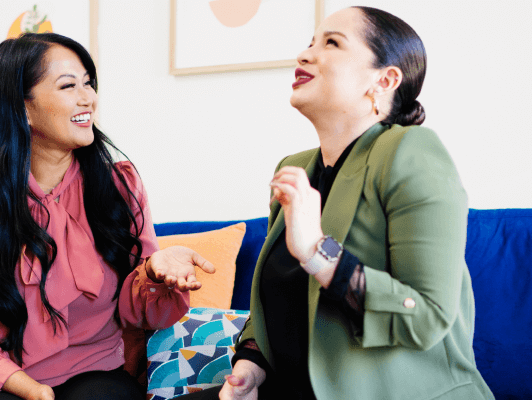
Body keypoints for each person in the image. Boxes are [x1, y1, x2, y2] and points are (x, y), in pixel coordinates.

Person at [180, 6, 494, 400]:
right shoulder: (294, 168)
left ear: (385, 79)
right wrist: (252, 367)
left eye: (332, 43)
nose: (305, 55)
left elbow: (426, 317)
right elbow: (277, 300)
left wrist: (317, 251)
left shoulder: (412, 151)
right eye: (310, 43)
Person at [0, 32, 215, 400]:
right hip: (1, 378)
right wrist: (29, 389)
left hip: (94, 371)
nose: (87, 98)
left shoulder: (120, 185)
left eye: (89, 84)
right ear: (23, 107)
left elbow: (139, 314)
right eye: (68, 86)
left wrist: (155, 272)